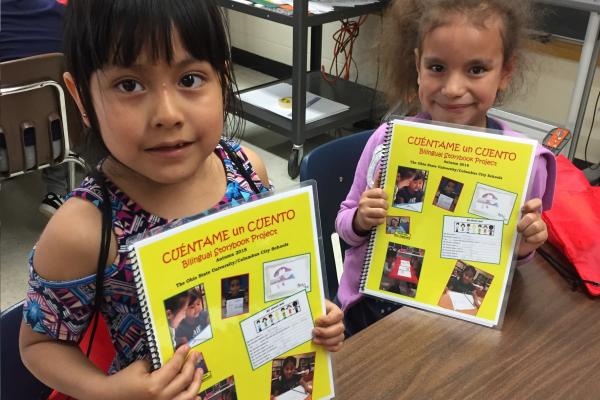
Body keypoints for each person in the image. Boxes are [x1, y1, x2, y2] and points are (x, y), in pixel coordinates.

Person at [19, 1, 345, 398]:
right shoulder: (87, 227)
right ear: (82, 97)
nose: (167, 114)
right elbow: (39, 345)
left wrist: (314, 312)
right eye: (129, 85)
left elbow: (271, 278)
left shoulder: (247, 170)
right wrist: (108, 391)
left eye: (190, 79)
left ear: (222, 79)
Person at [335, 0, 556, 336]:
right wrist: (361, 219)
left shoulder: (525, 164)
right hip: (372, 311)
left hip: (454, 317)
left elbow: (511, 262)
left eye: (476, 69)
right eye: (437, 67)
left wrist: (525, 246)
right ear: (417, 65)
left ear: (505, 73)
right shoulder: (386, 142)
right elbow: (344, 226)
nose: (453, 89)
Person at [0, 0, 72, 217]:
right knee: (52, 106)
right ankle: (57, 192)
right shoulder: (62, 15)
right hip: (57, 144)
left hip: (4, 153)